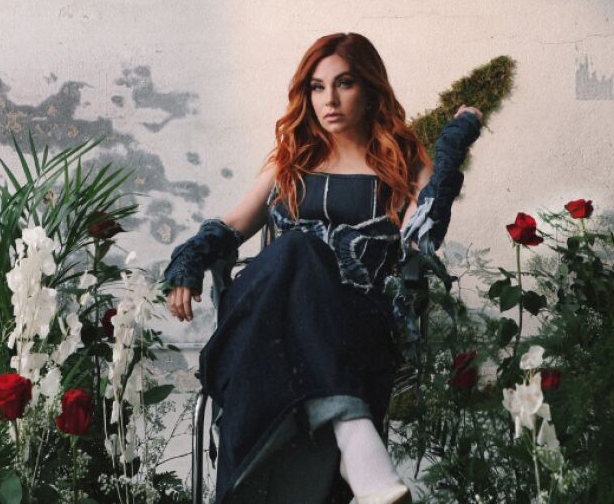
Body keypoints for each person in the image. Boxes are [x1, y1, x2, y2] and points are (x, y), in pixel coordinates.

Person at [163, 32, 482, 504]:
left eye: (344, 83)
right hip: (268, 322)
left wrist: (452, 145)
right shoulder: (290, 161)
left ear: (370, 90)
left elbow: (425, 234)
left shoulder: (403, 164)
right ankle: (355, 436)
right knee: (296, 251)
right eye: (317, 87)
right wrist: (190, 259)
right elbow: (233, 225)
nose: (329, 99)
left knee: (298, 251)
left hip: (355, 325)